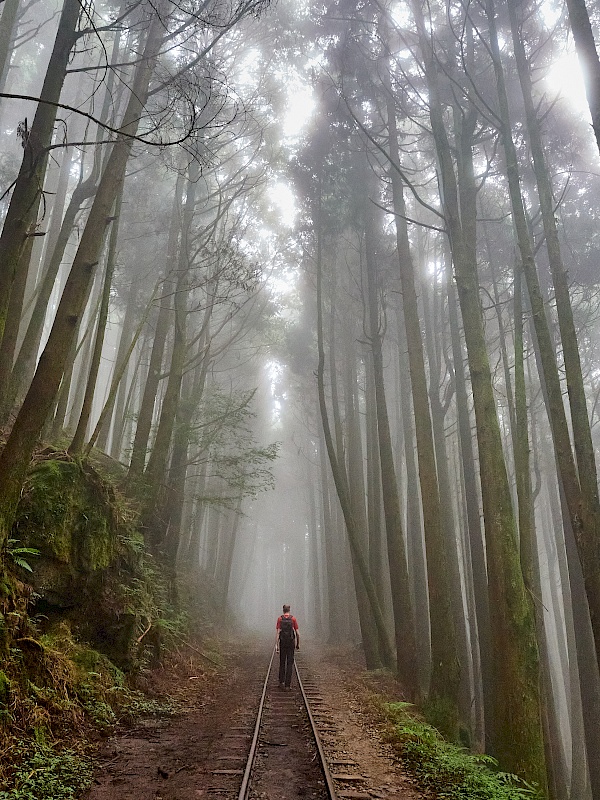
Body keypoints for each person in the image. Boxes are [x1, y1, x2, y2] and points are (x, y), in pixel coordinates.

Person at [275, 604, 299, 689]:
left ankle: (281, 682)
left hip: (283, 643)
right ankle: (288, 685)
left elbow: (278, 633)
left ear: (283, 610)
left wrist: (276, 645)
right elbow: (297, 633)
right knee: (289, 663)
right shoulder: (293, 619)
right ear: (289, 610)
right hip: (291, 643)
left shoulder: (280, 619)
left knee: (282, 662)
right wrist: (297, 644)